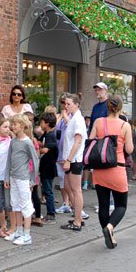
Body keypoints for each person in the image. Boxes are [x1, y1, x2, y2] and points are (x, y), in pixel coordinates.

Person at [89, 95, 133, 249]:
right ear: (120, 108)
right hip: (117, 168)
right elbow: (129, 149)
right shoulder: (124, 125)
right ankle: (110, 227)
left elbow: (91, 141)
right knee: (121, 204)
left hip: (100, 169)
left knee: (103, 205)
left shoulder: (98, 122)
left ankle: (108, 232)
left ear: (107, 107)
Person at [3, 114, 40, 245]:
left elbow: (35, 161)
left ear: (23, 126)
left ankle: (27, 234)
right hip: (13, 177)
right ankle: (18, 231)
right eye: (12, 124)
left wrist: (32, 179)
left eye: (15, 124)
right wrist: (7, 176)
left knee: (26, 205)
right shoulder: (13, 142)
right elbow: (8, 160)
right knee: (15, 204)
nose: (13, 127)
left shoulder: (27, 142)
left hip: (24, 178)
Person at [61, 93, 87, 231]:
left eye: (68, 104)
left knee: (76, 190)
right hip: (71, 159)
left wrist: (69, 160)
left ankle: (78, 220)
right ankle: (78, 217)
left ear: (76, 104)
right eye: (65, 104)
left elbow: (77, 141)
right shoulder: (73, 118)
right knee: (70, 187)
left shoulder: (78, 120)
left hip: (74, 160)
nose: (66, 106)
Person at [84, 82, 109, 190]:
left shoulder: (109, 105)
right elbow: (92, 124)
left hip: (106, 140)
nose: (97, 92)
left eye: (100, 89)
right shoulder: (95, 107)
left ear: (105, 90)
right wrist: (90, 139)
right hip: (95, 139)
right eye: (96, 90)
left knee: (105, 168)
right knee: (96, 166)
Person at [37, 112, 59, 223]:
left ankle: (51, 214)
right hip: (45, 167)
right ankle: (50, 213)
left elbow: (45, 149)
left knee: (48, 191)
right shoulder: (46, 133)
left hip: (48, 167)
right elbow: (41, 143)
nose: (40, 124)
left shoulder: (51, 135)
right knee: (46, 190)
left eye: (41, 122)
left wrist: (37, 150)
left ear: (47, 123)